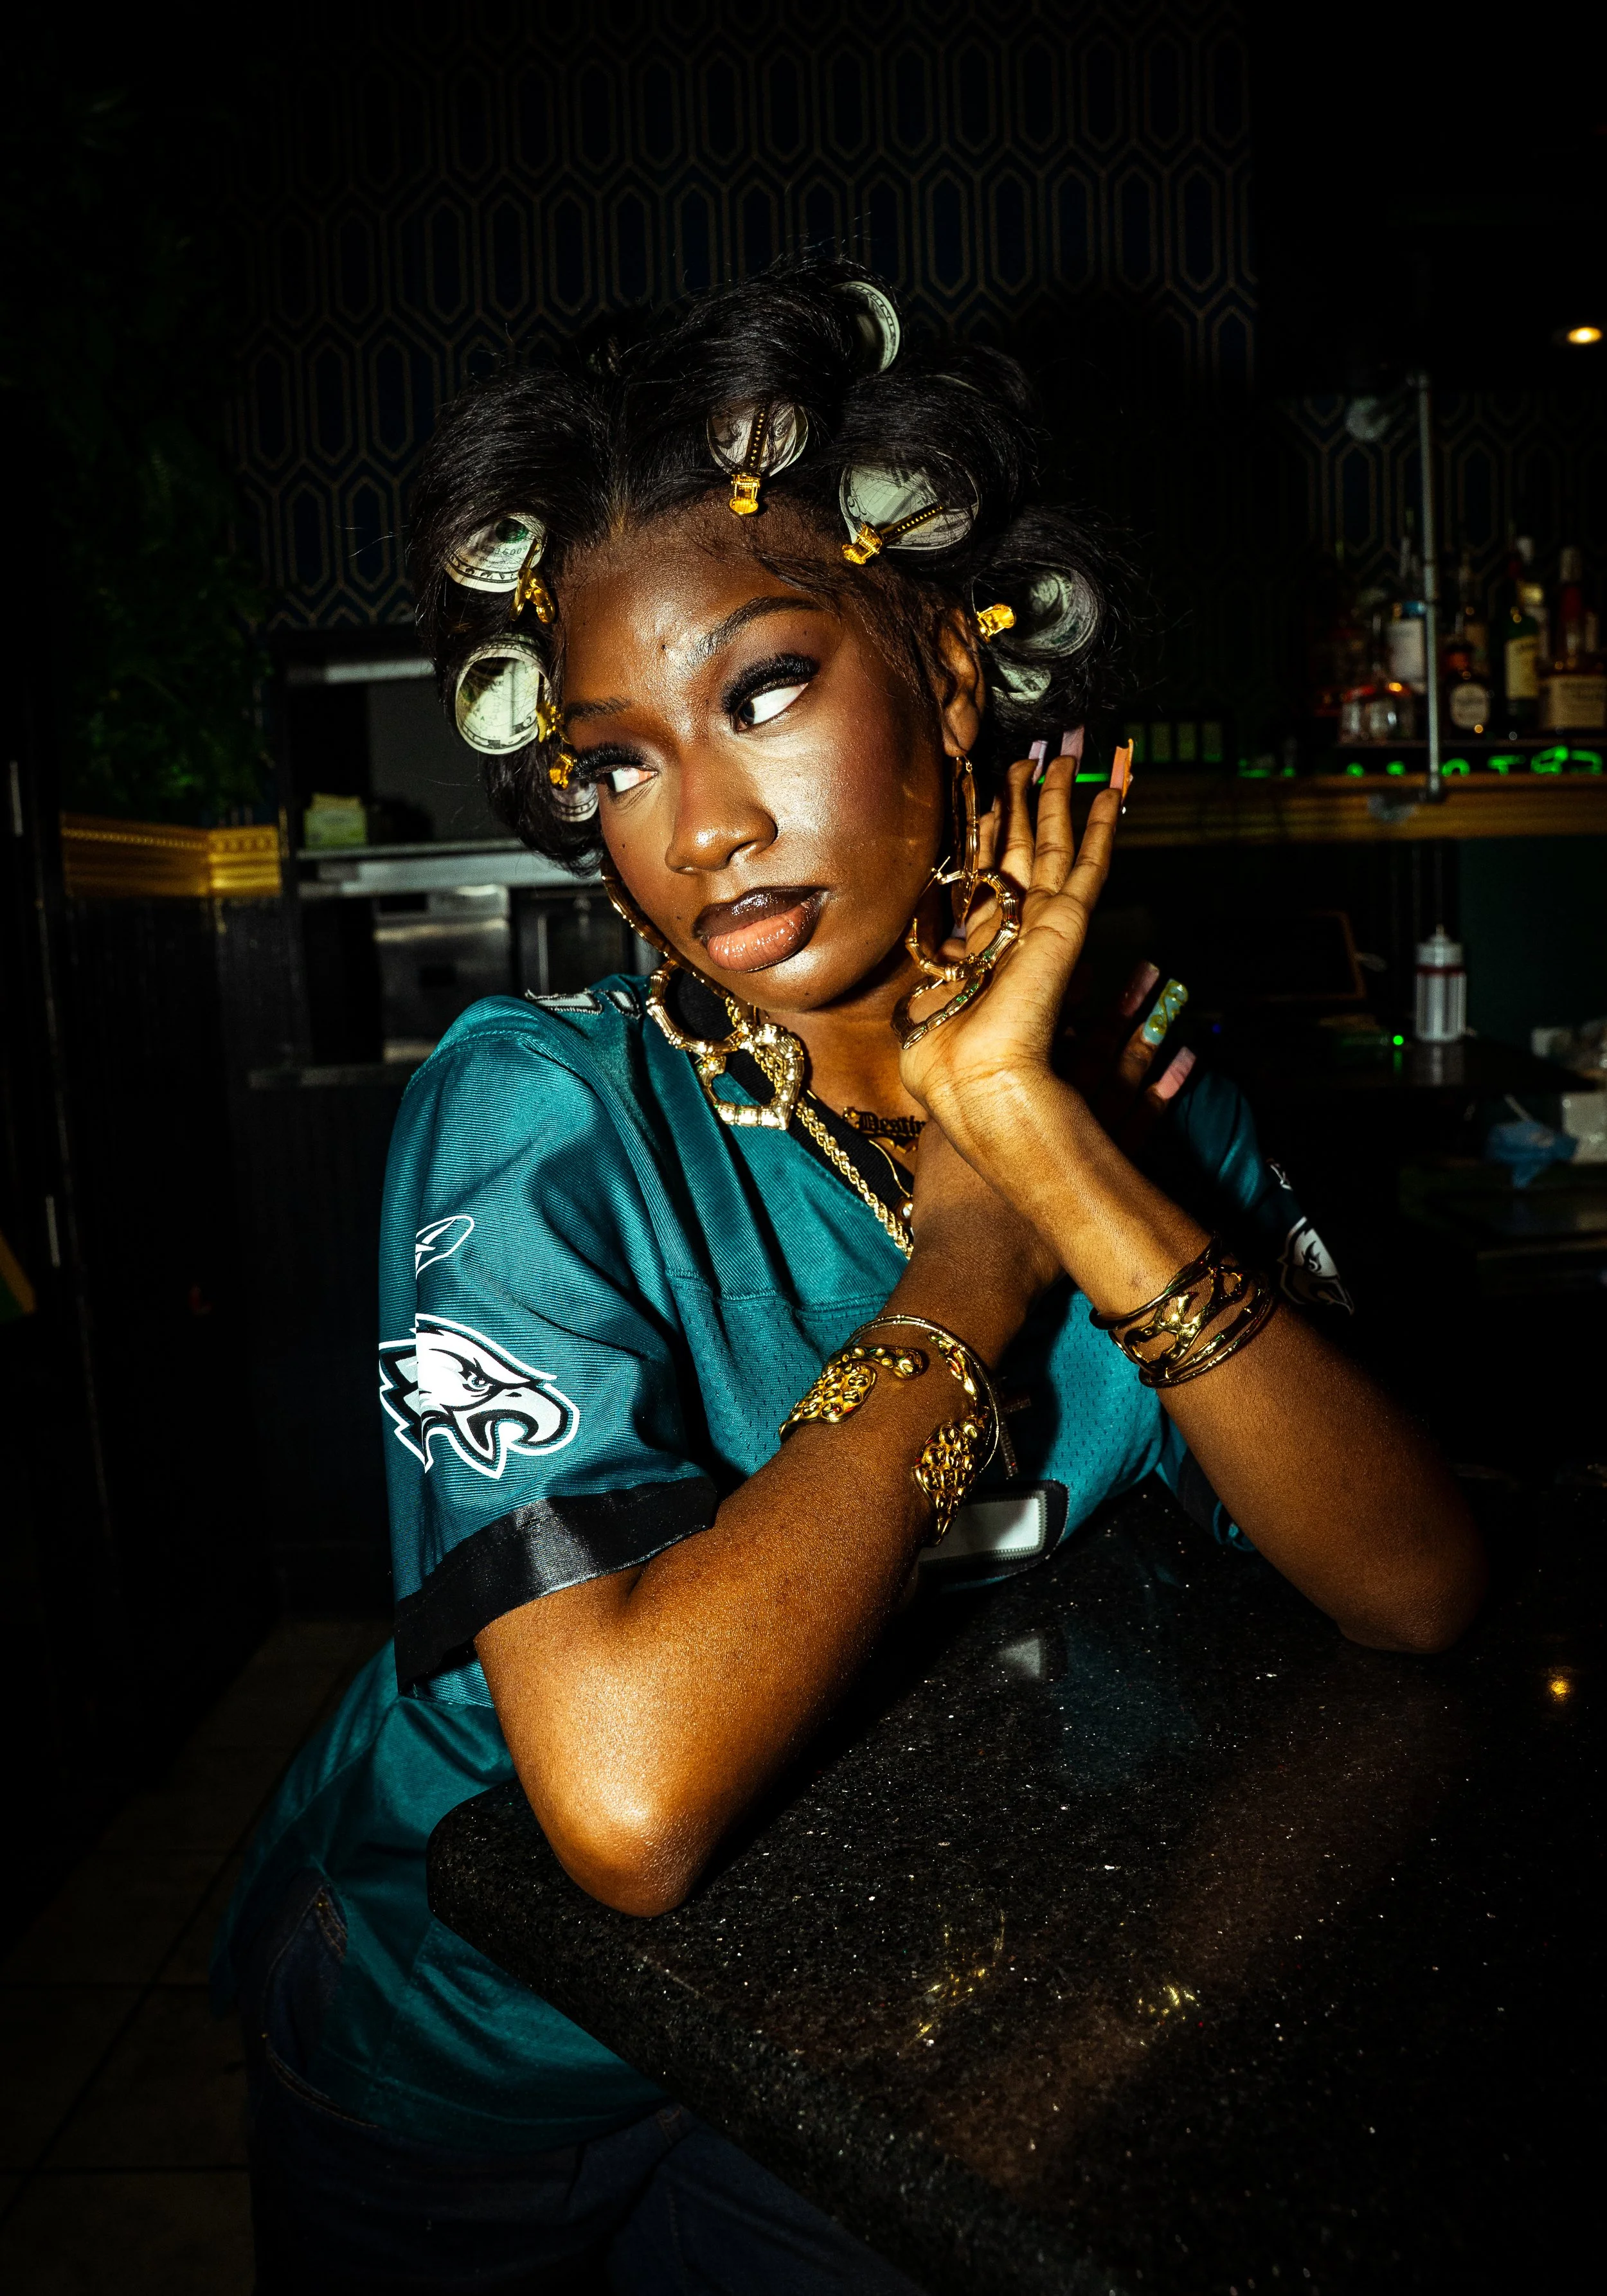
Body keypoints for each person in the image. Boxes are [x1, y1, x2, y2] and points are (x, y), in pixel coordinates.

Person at [217, 262, 1486, 2292]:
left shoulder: (1133, 1080)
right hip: (480, 2054)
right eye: (616, 761)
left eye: (764, 689)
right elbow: (621, 1803)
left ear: (953, 678)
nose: (699, 826)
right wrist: (969, 1265)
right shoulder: (536, 1116)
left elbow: (1411, 1582)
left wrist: (1044, 1142)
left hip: (874, 2022)